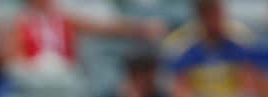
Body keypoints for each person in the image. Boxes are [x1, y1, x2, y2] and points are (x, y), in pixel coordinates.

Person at [9, 0, 164, 75]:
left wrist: (140, 28)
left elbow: (103, 27)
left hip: (65, 77)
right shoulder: (20, 21)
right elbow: (16, 58)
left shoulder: (64, 17)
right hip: (34, 78)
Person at [163, 0, 259, 97]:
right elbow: (179, 88)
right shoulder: (180, 43)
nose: (211, 18)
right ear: (198, 14)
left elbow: (251, 82)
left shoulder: (241, 38)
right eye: (205, 12)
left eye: (214, 11)